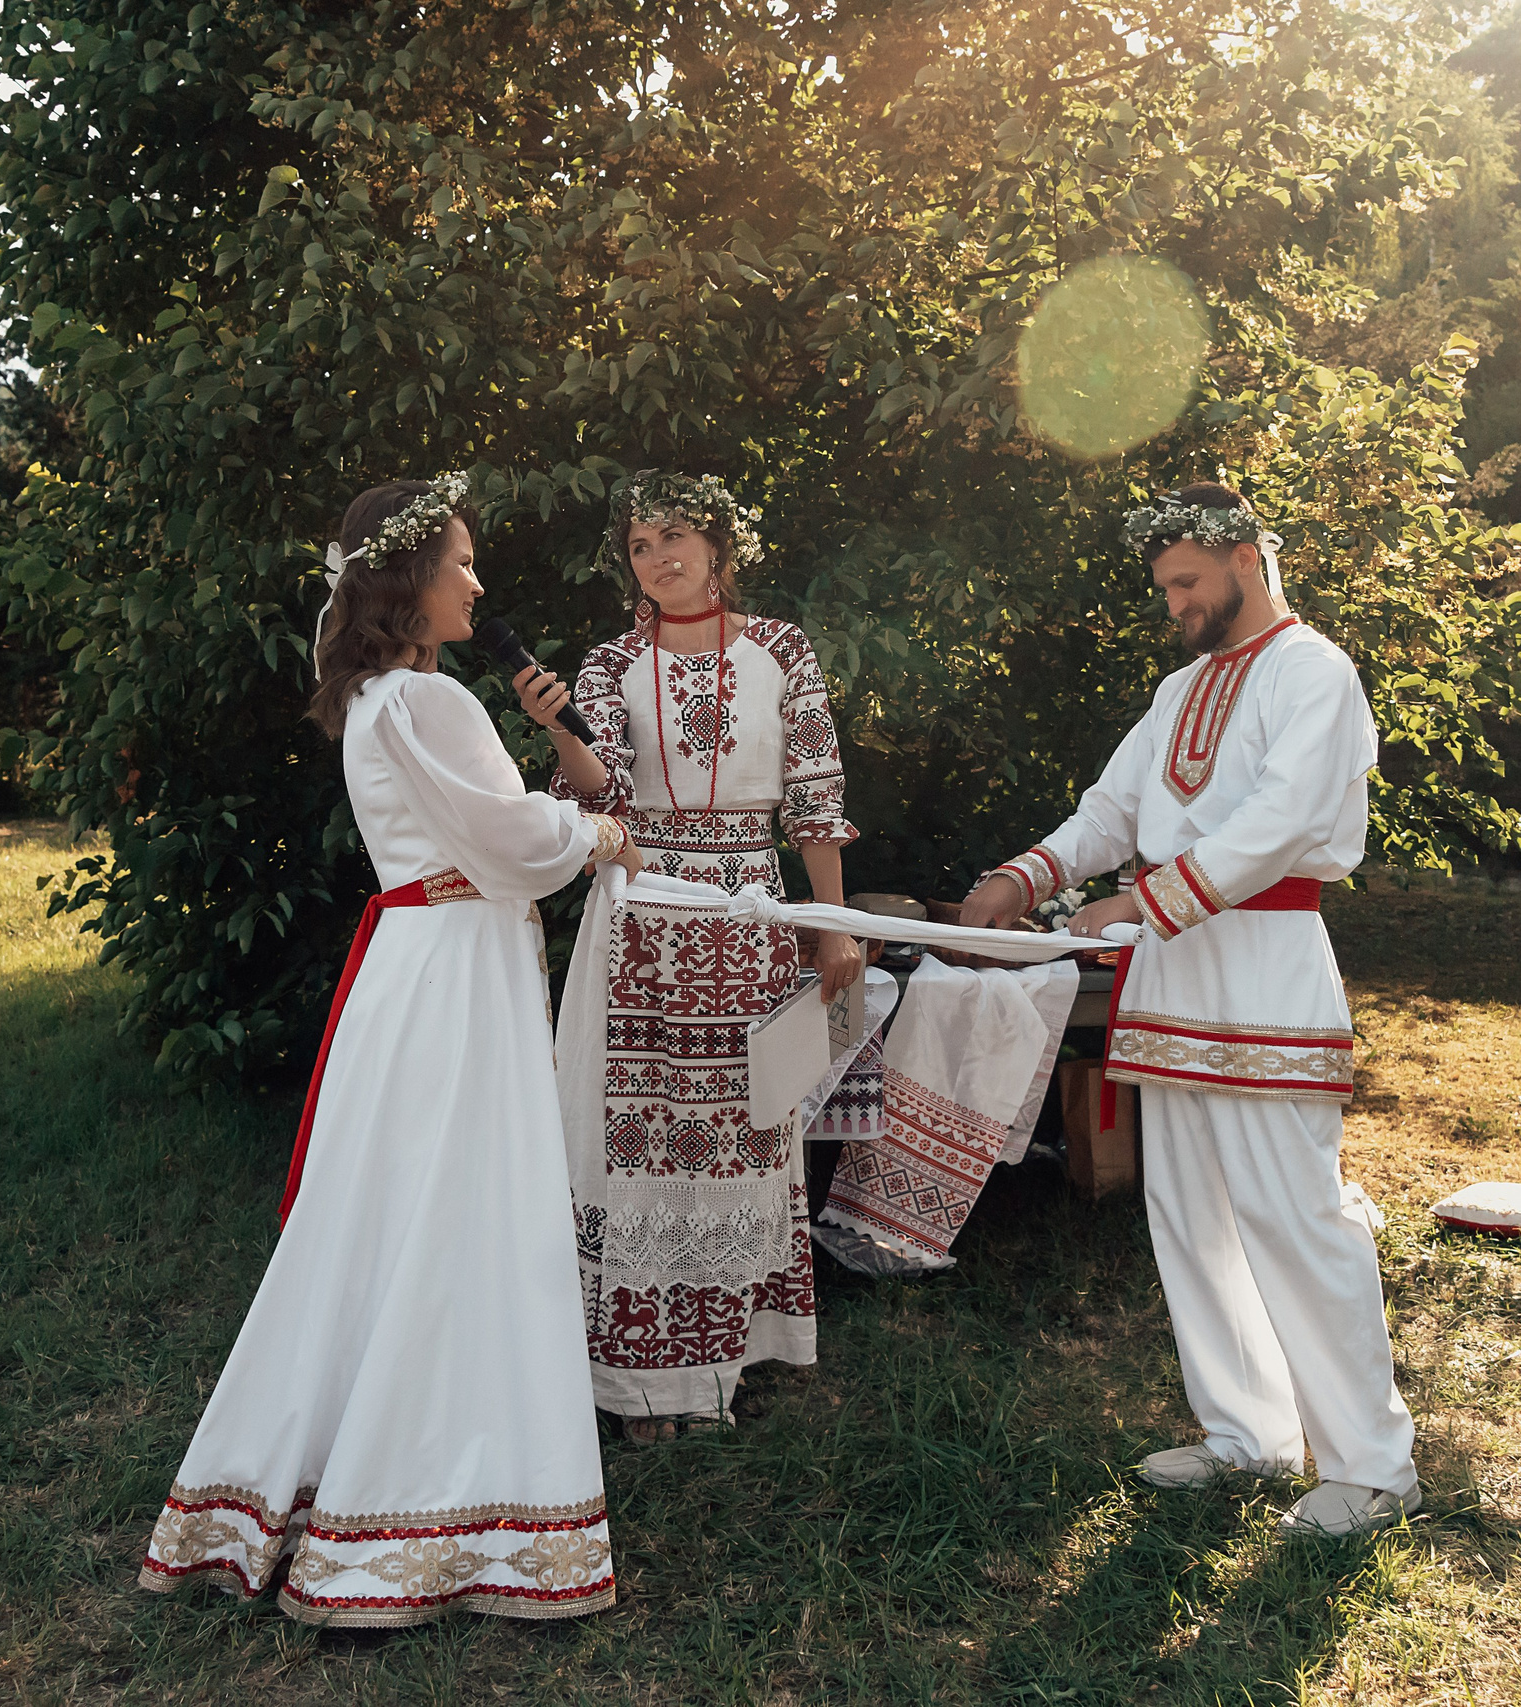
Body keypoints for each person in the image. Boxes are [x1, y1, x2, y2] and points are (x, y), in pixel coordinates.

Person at [138, 476, 639, 1626]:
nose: (477, 581)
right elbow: (514, 839)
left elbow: (495, 833)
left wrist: (557, 760)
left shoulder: (386, 699)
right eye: (461, 561)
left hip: (424, 966)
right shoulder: (427, 702)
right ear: (408, 579)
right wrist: (601, 834)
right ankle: (430, 1497)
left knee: (398, 1206)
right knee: (460, 1208)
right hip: (452, 971)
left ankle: (344, 1473)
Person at [960, 482, 1420, 1538]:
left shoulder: (1316, 672)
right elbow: (1111, 812)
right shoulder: (1178, 694)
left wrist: (1142, 899)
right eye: (1163, 584)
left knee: (1293, 1214)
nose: (1173, 602)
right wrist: (1023, 878)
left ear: (1248, 560)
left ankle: (1373, 1466)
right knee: (1189, 1213)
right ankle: (1247, 1435)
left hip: (1261, 966)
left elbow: (1280, 820)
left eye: (1186, 581)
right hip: (1171, 978)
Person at [517, 469, 861, 1442]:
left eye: (674, 535)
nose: (659, 556)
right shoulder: (608, 663)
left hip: (748, 907)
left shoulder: (782, 652)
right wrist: (561, 732)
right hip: (640, 911)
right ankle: (639, 1382)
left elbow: (815, 795)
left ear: (718, 546)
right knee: (638, 1129)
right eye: (638, 544)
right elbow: (598, 797)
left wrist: (829, 923)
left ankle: (727, 1355)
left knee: (739, 1127)